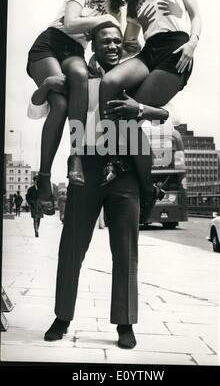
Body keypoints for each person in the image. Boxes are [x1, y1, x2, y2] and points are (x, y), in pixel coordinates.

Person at [42, 22, 171, 349]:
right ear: (93, 47)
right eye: (106, 42)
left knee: (126, 251)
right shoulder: (78, 78)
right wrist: (46, 84)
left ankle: (125, 324)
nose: (113, 46)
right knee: (72, 245)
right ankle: (62, 316)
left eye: (117, 41)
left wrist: (138, 107)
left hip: (124, 170)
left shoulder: (136, 77)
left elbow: (163, 113)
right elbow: (53, 113)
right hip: (87, 164)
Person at [99, 0, 202, 220]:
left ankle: (147, 188)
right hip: (149, 50)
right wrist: (111, 50)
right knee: (109, 84)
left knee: (130, 116)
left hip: (176, 48)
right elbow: (131, 42)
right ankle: (113, 155)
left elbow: (196, 14)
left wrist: (193, 42)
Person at [27, 0, 129, 216]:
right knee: (59, 105)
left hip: (74, 51)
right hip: (49, 45)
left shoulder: (116, 6)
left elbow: (116, 40)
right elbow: (71, 23)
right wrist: (106, 19)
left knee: (81, 76)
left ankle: (76, 155)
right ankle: (44, 177)